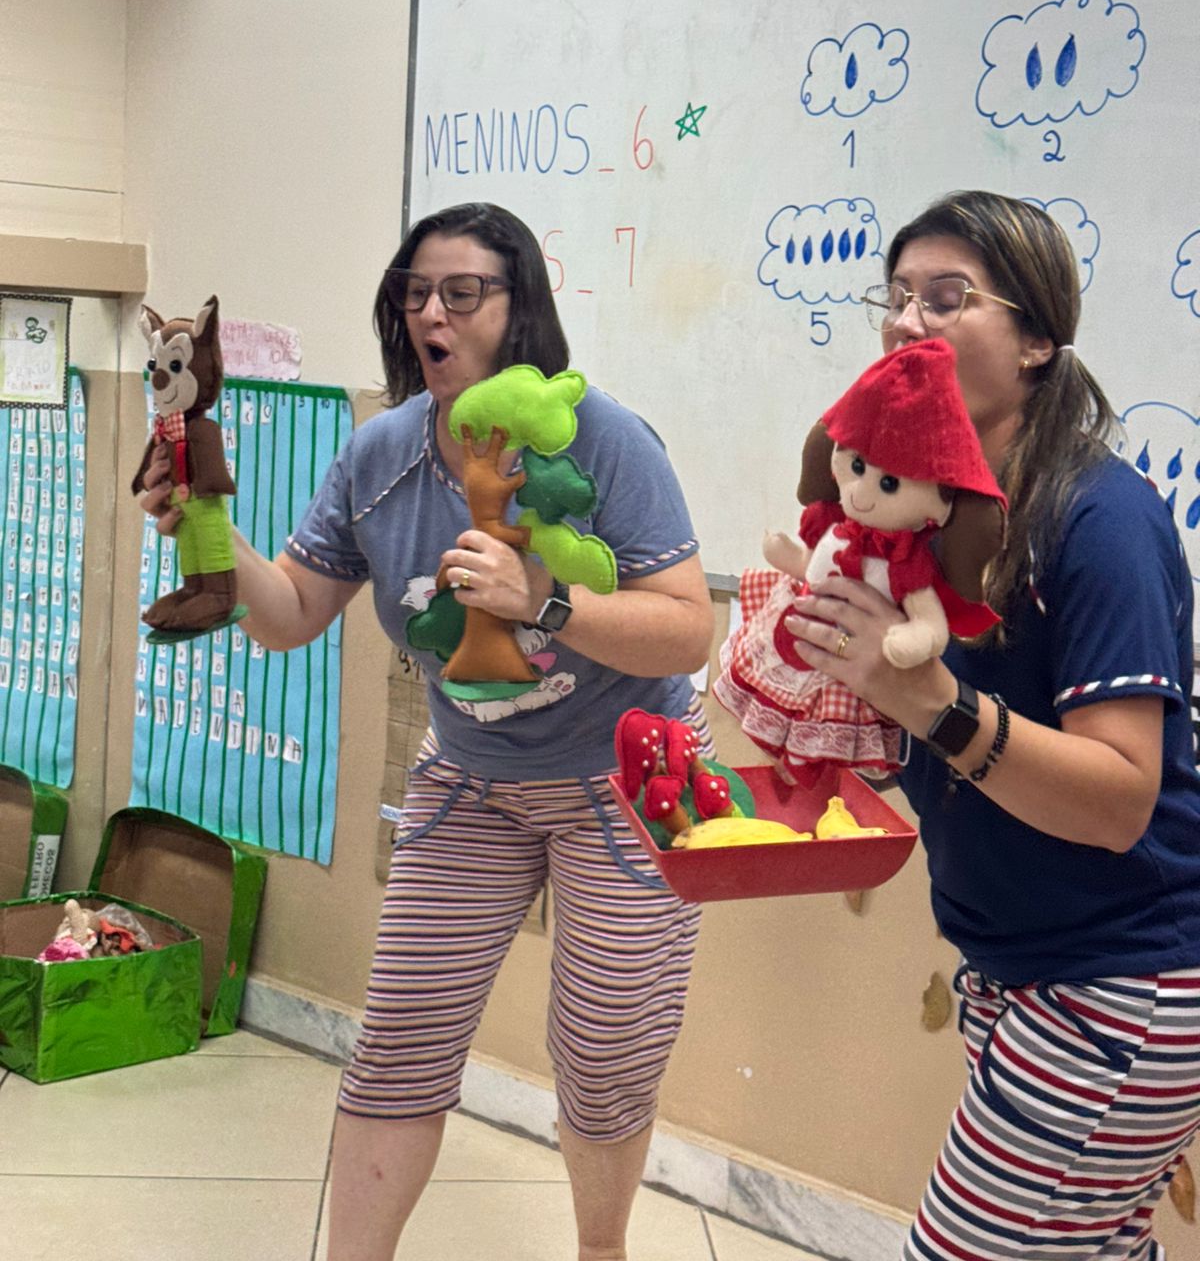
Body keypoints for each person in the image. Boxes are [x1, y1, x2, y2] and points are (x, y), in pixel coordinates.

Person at [137, 201, 713, 1261]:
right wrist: (211, 532)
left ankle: (603, 1249)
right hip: (473, 779)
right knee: (399, 1041)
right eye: (414, 294)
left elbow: (686, 631)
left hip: (627, 779)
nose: (431, 314)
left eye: (462, 292)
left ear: (519, 306)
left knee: (603, 1056)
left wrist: (547, 600)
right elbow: (289, 615)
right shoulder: (382, 453)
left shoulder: (604, 439)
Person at [781, 190, 1200, 1261]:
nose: (905, 322)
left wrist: (934, 703)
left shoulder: (1101, 519)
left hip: (1121, 977)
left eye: (946, 297)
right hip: (1018, 964)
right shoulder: (926, 516)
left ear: (1037, 341)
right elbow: (929, 731)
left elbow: (1119, 799)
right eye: (895, 297)